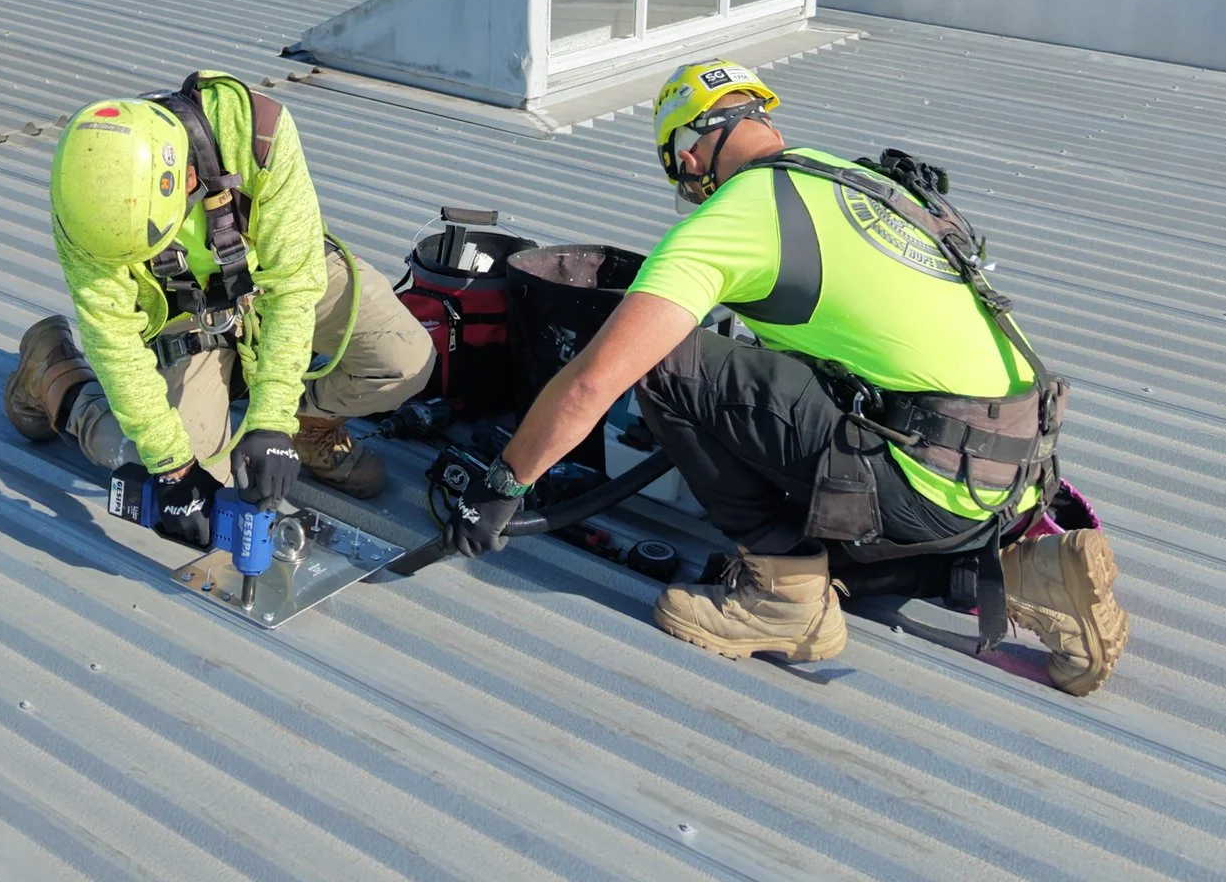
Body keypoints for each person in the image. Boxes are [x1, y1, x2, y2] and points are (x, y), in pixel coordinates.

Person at [446, 59, 1129, 696]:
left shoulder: (730, 219)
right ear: (761, 119)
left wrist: (503, 486)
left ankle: (785, 595)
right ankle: (1033, 571)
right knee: (832, 523)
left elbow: (595, 379)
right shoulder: (853, 177)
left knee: (666, 365)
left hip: (934, 478)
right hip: (1016, 467)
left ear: (689, 156)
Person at [4, 71, 432, 504]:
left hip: (271, 280)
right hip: (183, 314)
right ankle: (57, 379)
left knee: (405, 355)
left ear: (189, 180)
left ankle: (305, 427)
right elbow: (113, 337)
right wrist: (173, 466)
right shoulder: (83, 198)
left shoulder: (256, 133)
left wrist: (272, 422)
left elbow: (293, 288)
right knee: (192, 482)